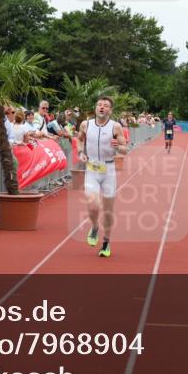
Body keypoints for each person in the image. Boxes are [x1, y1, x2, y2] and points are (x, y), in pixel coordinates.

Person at [77, 95, 129, 258]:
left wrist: (118, 146)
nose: (102, 107)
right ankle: (94, 227)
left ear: (110, 110)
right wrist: (80, 152)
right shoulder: (86, 124)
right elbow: (79, 140)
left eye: (105, 105)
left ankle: (106, 242)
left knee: (107, 210)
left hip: (108, 170)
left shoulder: (116, 127)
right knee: (93, 204)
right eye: (99, 105)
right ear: (95, 108)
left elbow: (125, 149)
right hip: (92, 169)